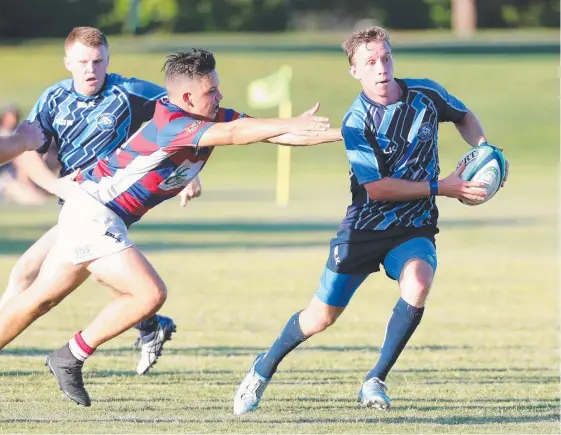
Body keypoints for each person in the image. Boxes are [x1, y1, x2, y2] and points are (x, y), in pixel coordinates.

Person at [0, 48, 342, 407]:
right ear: (188, 97)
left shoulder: (209, 117)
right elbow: (240, 133)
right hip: (92, 212)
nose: (220, 96)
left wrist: (344, 134)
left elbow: (270, 135)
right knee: (148, 294)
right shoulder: (172, 124)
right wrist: (288, 121)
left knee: (38, 299)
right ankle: (70, 356)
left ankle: (68, 356)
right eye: (213, 91)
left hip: (94, 213)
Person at [233, 26, 509, 415]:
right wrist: (443, 187)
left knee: (418, 282)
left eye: (385, 58)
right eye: (370, 62)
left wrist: (483, 152)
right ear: (355, 72)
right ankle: (262, 368)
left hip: (414, 227)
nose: (381, 68)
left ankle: (374, 380)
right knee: (319, 318)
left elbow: (463, 116)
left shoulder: (426, 94)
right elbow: (377, 189)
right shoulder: (356, 121)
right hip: (364, 228)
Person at [0, 26, 201, 376]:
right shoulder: (53, 99)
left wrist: (189, 168)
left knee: (30, 277)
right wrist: (55, 184)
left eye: (98, 61)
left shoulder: (128, 91)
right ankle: (150, 323)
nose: (91, 69)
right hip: (76, 205)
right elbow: (25, 147)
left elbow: (184, 118)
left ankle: (143, 324)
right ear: (68, 62)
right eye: (83, 62)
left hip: (106, 203)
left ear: (109, 60)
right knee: (82, 274)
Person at [0, 104, 58, 204]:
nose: (13, 119)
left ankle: (34, 188)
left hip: (15, 173)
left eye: (15, 116)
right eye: (11, 116)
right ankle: (29, 189)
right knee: (30, 198)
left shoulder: (17, 132)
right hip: (6, 177)